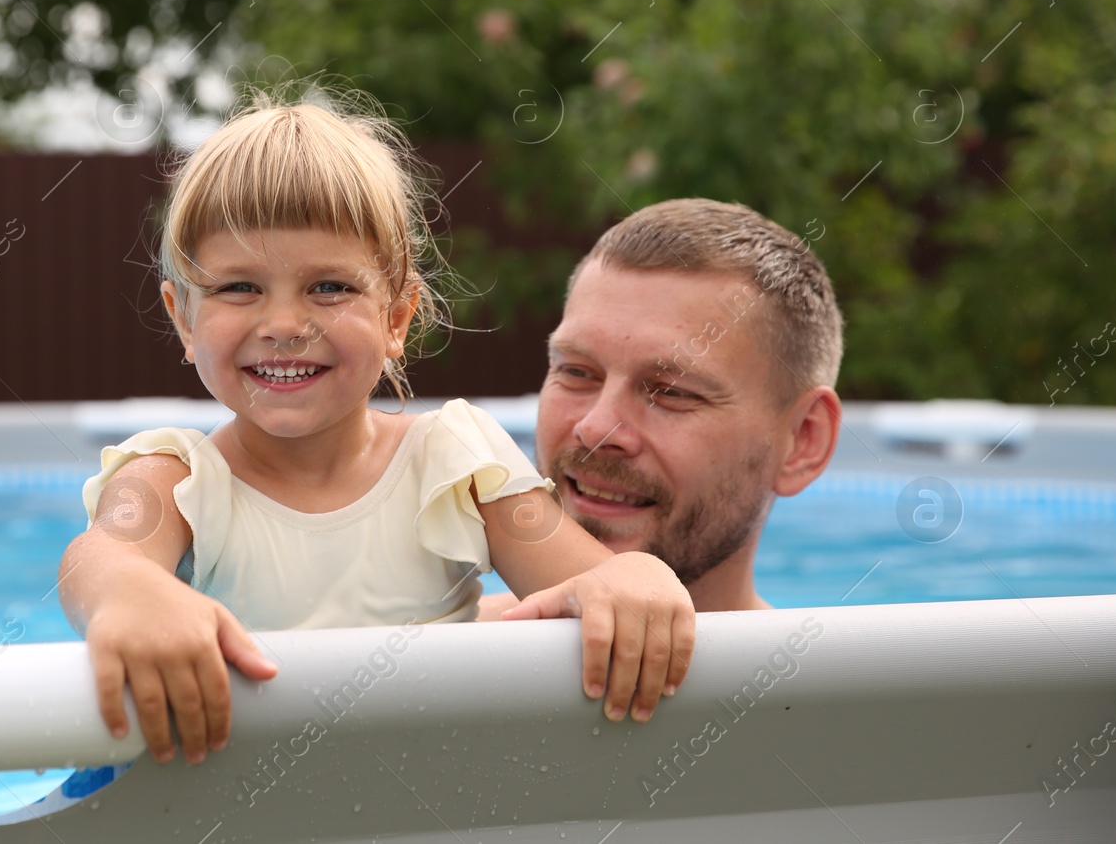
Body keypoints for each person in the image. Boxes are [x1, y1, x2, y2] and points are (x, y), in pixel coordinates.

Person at [58, 93, 695, 767]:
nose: (283, 323)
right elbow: (99, 556)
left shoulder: (455, 463)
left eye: (329, 287)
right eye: (239, 287)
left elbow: (590, 575)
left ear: (397, 315)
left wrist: (636, 577)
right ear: (183, 317)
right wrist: (131, 591)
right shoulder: (171, 475)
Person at [478, 199, 844, 620]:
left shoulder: (834, 681)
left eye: (671, 392)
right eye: (577, 372)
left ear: (803, 440)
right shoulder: (427, 655)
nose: (596, 429)